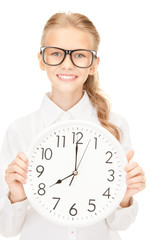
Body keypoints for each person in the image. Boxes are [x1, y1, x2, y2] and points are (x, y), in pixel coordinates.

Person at [0, 12, 146, 240]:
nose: (67, 64)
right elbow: (6, 229)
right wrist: (16, 194)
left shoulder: (115, 127)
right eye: (56, 53)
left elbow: (120, 223)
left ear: (93, 64)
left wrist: (125, 196)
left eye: (79, 55)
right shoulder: (20, 130)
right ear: (41, 60)